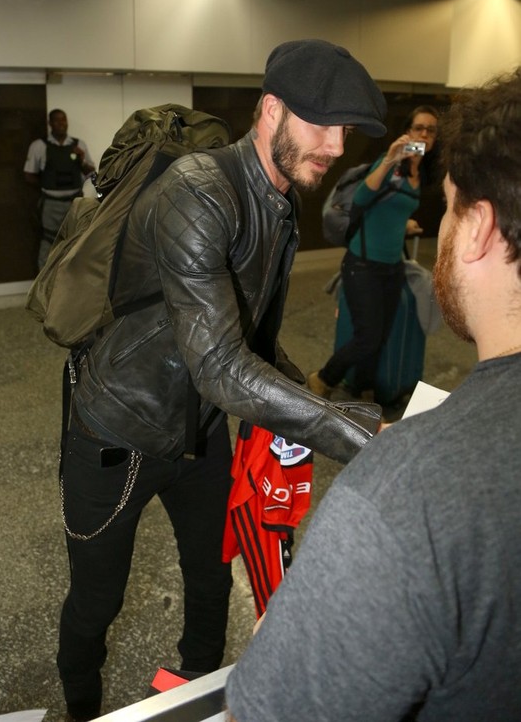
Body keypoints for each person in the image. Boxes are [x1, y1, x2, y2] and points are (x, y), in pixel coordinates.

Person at [56, 38, 389, 721]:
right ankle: (81, 708)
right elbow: (219, 364)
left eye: (346, 131)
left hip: (201, 432)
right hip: (118, 429)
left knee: (212, 578)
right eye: (321, 123)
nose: (335, 146)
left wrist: (361, 414)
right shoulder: (198, 193)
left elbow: (254, 344)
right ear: (270, 111)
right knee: (96, 603)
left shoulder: (280, 203)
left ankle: (197, 695)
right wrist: (364, 437)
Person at [225, 67, 521, 722]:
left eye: (449, 206)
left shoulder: (402, 496)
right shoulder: (381, 170)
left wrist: (290, 642)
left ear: (478, 229)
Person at [308, 104, 439, 402]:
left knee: (378, 336)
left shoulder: (423, 171)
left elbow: (392, 207)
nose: (424, 134)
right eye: (419, 128)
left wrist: (404, 223)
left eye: (431, 130)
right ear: (408, 131)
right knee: (367, 336)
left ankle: (360, 388)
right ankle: (324, 377)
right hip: (363, 263)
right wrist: (390, 158)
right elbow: (363, 197)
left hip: (393, 265)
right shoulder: (392, 164)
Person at [24, 108, 95, 269]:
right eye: (57, 120)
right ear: (50, 123)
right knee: (48, 241)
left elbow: (91, 173)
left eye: (64, 120)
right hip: (51, 203)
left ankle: (72, 281)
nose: (61, 124)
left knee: (77, 241)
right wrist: (48, 184)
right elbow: (29, 175)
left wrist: (82, 159)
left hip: (75, 202)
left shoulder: (79, 145)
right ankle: (44, 286)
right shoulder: (39, 146)